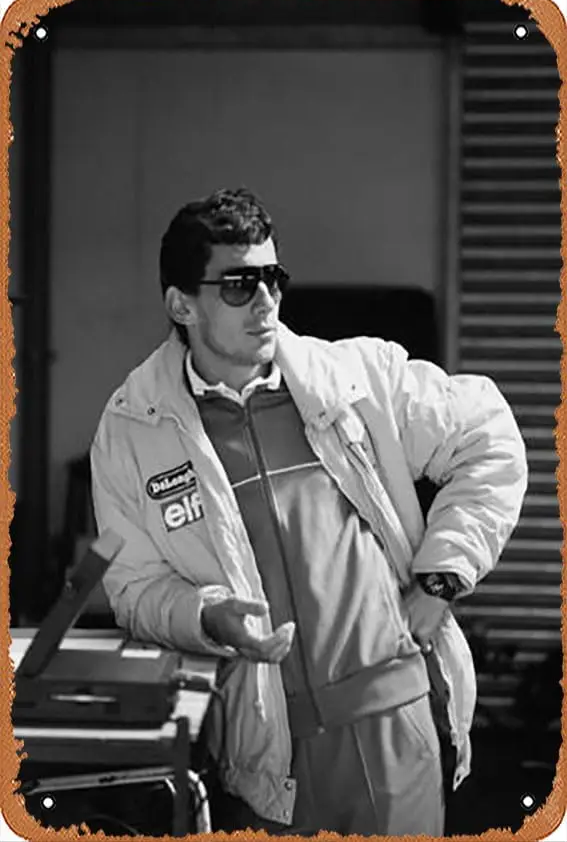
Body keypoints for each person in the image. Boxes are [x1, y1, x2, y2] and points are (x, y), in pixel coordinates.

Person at [91, 188, 528, 836]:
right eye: (239, 285)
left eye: (272, 278)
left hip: (393, 727)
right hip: (261, 749)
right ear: (181, 305)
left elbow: (488, 437)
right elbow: (134, 590)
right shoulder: (133, 429)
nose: (265, 301)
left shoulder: (357, 381)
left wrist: (440, 580)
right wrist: (205, 614)